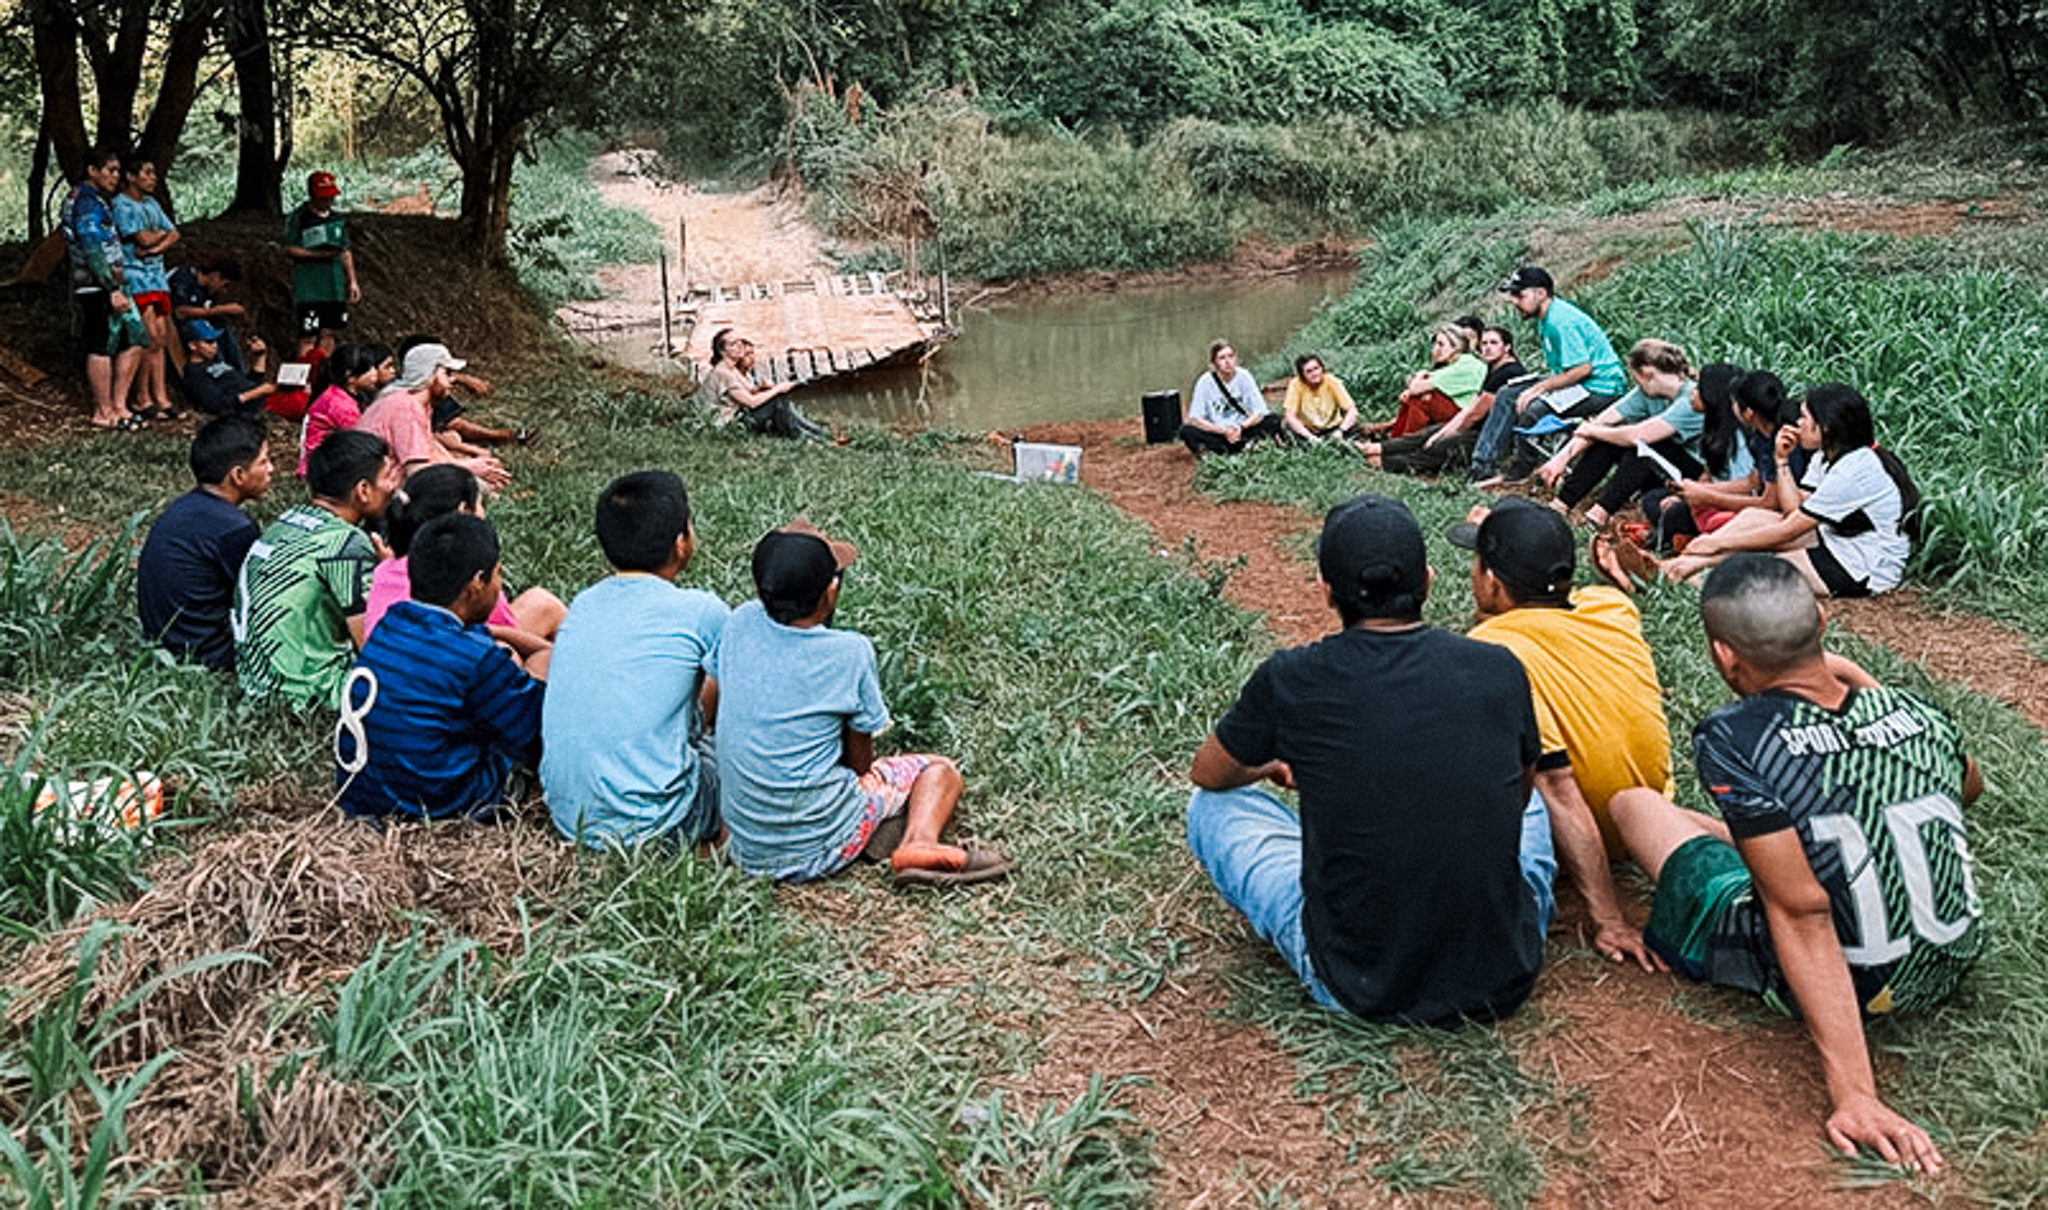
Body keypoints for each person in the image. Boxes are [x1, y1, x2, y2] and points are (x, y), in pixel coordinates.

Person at [1609, 554, 1983, 1174]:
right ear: (1822, 620)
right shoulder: (1915, 710)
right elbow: (1965, 788)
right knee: (1781, 840)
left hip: (1862, 979)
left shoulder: (1735, 736)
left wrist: (1856, 1094)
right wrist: (1868, 691)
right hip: (1945, 962)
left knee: (1635, 804)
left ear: (1725, 656)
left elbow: (1802, 911)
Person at [1185, 495, 1553, 1025]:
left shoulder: (1291, 678)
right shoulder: (1499, 667)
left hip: (1360, 984)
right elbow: (1516, 799)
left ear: (1327, 592)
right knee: (1536, 792)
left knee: (1210, 808)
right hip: (1502, 972)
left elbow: (1209, 772)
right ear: (1426, 580)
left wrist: (1270, 766)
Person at [714, 520, 1014, 884]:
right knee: (938, 770)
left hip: (746, 849)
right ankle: (918, 841)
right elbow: (860, 764)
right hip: (820, 846)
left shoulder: (738, 622)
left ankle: (882, 824)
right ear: (831, 591)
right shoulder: (849, 653)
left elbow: (715, 706)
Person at [1451, 499, 1668, 970]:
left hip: (1584, 837)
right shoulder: (1612, 606)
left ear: (1491, 581)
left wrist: (1609, 919)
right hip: (1646, 815)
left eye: (1479, 563)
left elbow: (1557, 786)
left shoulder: (1491, 652)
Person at [541, 471, 728, 851]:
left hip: (568, 818)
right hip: (660, 823)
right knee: (736, 754)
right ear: (681, 543)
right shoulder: (701, 611)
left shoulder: (584, 602)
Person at [336, 513, 547, 823]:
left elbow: (474, 639)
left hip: (363, 795)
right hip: (442, 804)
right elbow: (536, 732)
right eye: (497, 575)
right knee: (536, 675)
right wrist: (546, 658)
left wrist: (494, 632)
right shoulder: (476, 658)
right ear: (476, 584)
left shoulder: (391, 624)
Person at [1662, 385, 1916, 597]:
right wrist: (1781, 461)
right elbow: (1792, 509)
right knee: (1754, 517)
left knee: (1762, 564)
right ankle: (1679, 567)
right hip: (1835, 539)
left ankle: (1684, 571)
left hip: (1863, 566)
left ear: (1825, 426)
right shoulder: (1824, 456)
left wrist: (1716, 542)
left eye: (1805, 417)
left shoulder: (1855, 469)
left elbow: (1788, 530)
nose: (1797, 423)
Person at [232, 429, 398, 709]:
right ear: (363, 491)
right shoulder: (345, 544)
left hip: (257, 682)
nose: (394, 486)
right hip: (304, 691)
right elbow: (373, 646)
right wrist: (390, 577)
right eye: (387, 477)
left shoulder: (288, 521)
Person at [363, 463, 563, 660]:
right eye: (480, 503)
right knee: (523, 639)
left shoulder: (385, 569)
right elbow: (505, 632)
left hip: (390, 671)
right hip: (450, 671)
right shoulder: (468, 571)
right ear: (464, 511)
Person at [136, 415, 274, 671]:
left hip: (163, 639)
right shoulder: (234, 529)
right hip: (205, 651)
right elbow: (261, 598)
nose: (271, 469)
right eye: (264, 461)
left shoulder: (184, 506)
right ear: (238, 475)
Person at [1472, 266, 1628, 483]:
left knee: (1533, 409)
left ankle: (1523, 471)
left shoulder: (1559, 321)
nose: (1515, 302)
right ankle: (1484, 465)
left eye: (1520, 295)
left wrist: (1539, 389)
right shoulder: (1546, 318)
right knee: (1508, 393)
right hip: (1579, 382)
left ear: (1541, 293)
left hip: (1599, 387)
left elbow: (1583, 369)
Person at [1536, 338, 1703, 528]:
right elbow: (1599, 424)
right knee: (1608, 438)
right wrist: (1561, 459)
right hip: (1660, 467)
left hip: (1695, 471)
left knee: (1644, 446)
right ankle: (1563, 503)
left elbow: (1640, 435)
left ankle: (1601, 512)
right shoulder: (1646, 393)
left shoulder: (1691, 399)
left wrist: (1594, 430)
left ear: (1646, 374)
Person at [1643, 368, 1800, 552]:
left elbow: (1769, 503)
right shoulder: (1760, 436)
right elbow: (1753, 481)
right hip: (1755, 506)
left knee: (1685, 514)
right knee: (1658, 502)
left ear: (1748, 413)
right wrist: (1698, 491)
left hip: (1780, 514)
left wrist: (1707, 496)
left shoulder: (1779, 440)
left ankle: (1685, 543)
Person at [1363, 324, 1528, 477]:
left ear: (1507, 347)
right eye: (1484, 343)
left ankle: (1387, 462)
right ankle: (1379, 448)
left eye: (1493, 343)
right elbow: (1471, 408)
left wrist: (1449, 432)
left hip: (1489, 438)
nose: (1487, 348)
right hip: (1477, 429)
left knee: (1440, 446)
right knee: (1429, 434)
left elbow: (1475, 413)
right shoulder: (1494, 370)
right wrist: (1444, 431)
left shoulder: (1508, 372)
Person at [61, 145, 146, 430]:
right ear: (92, 171)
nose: (115, 176)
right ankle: (103, 409)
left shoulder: (98, 200)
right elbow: (93, 248)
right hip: (97, 285)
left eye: (118, 171)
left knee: (135, 336)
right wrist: (111, 287)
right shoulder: (84, 202)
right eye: (110, 170)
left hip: (115, 282)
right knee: (102, 342)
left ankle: (120, 405)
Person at [354, 343, 510, 490]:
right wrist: (469, 468)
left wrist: (470, 462)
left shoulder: (416, 402)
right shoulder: (406, 406)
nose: (452, 380)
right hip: (374, 488)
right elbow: (416, 470)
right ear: (429, 375)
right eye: (447, 373)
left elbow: (429, 448)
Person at [112, 153, 180, 422]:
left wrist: (157, 245)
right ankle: (142, 397)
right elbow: (140, 236)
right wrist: (154, 240)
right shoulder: (122, 205)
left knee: (161, 335)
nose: (153, 178)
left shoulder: (152, 203)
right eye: (147, 173)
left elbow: (172, 233)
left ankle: (160, 394)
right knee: (148, 333)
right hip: (136, 276)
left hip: (156, 276)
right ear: (131, 176)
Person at [701, 329, 832, 441]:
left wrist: (760, 389)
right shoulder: (723, 373)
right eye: (734, 344)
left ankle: (819, 433)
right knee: (776, 403)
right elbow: (750, 402)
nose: (740, 345)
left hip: (737, 417)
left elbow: (742, 394)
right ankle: (811, 436)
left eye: (740, 341)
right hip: (728, 425)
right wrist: (777, 389)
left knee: (778, 402)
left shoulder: (732, 370)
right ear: (723, 351)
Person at [1362, 323, 1486, 441]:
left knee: (1422, 399)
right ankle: (1395, 436)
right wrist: (1414, 384)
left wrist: (1417, 381)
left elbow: (1416, 387)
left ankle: (1400, 441)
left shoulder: (1467, 363)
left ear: (1455, 347)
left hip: (1464, 415)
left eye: (1441, 344)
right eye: (1435, 344)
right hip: (1457, 408)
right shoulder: (1453, 365)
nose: (1435, 349)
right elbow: (1414, 383)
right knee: (1417, 397)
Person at [282, 170, 360, 356]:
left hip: (333, 286)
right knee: (308, 335)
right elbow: (288, 248)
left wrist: (352, 281)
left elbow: (345, 249)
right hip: (309, 287)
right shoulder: (299, 217)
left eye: (330, 197)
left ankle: (324, 373)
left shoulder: (336, 219)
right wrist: (316, 254)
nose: (327, 201)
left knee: (329, 332)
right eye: (323, 197)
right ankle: (305, 377)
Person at [299, 343, 390, 476]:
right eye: (368, 370)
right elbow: (363, 441)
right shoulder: (340, 405)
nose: (374, 374)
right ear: (350, 377)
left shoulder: (344, 395)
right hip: (322, 471)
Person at [1180, 340, 1282, 455]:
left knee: (1273, 420)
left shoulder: (1244, 376)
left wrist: (1241, 427)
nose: (1228, 362)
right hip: (1218, 432)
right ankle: (1224, 448)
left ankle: (1242, 446)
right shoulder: (1204, 382)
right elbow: (1197, 419)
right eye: (1222, 358)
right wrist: (1223, 431)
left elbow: (1259, 412)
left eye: (1231, 356)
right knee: (1187, 431)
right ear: (1214, 363)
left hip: (1242, 430)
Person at [169, 253, 249, 374]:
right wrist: (220, 309)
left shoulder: (208, 293)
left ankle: (238, 372)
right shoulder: (182, 277)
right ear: (216, 276)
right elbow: (180, 312)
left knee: (222, 326)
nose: (224, 291)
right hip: (174, 326)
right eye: (225, 285)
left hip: (198, 326)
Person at [180, 319, 277, 417]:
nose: (215, 346)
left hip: (259, 399)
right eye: (209, 342)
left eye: (216, 341)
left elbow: (251, 382)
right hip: (252, 406)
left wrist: (260, 356)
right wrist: (256, 393)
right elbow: (219, 405)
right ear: (193, 345)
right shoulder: (195, 373)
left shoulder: (217, 362)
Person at [1279, 353, 1359, 443]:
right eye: (1309, 371)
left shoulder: (1332, 381)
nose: (1315, 374)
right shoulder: (1295, 385)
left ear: (1322, 369)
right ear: (1302, 375)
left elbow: (1352, 410)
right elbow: (1290, 416)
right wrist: (1310, 437)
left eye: (1316, 369)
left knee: (1353, 428)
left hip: (1333, 427)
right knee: (1286, 426)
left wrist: (1341, 430)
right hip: (1308, 430)